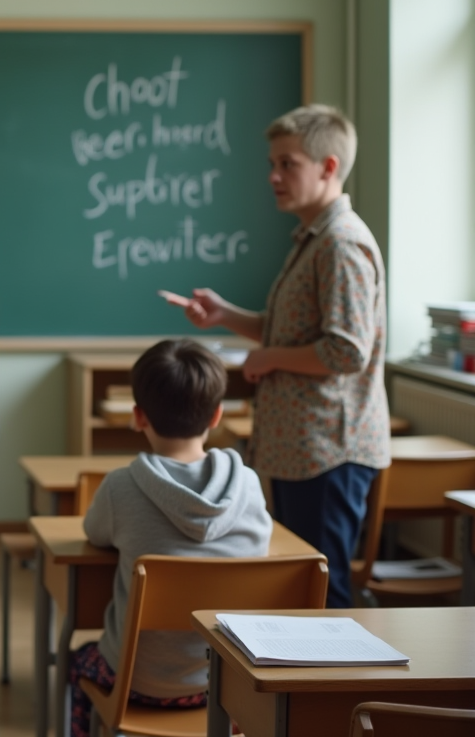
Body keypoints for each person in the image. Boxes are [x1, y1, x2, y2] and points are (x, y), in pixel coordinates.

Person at [162, 104, 390, 608]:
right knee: (301, 584)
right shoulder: (312, 238)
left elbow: (346, 350)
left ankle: (338, 690)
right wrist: (225, 314)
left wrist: (269, 359)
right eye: (273, 163)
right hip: (300, 446)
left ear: (328, 167)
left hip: (328, 446)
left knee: (323, 590)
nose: (273, 176)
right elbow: (290, 332)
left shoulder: (341, 243)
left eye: (288, 164)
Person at [73, 339, 272, 737]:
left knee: (78, 662)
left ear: (138, 417)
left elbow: (94, 533)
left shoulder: (120, 487)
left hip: (136, 682)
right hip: (229, 687)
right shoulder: (249, 486)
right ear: (217, 415)